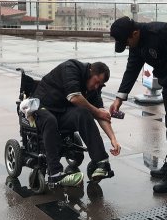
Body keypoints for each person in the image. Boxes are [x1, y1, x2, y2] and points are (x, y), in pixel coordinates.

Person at [109, 16, 167, 193]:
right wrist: (119, 99)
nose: (128, 47)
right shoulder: (136, 43)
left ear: (135, 33)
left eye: (127, 42)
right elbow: (132, 69)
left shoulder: (162, 31)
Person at [32, 59, 122, 187]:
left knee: (83, 113)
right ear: (90, 71)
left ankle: (102, 162)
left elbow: (101, 114)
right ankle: (55, 174)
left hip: (62, 112)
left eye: (100, 84)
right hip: (42, 106)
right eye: (96, 82)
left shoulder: (94, 87)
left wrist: (113, 139)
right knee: (50, 120)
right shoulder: (71, 68)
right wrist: (96, 111)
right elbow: (74, 97)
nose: (96, 87)